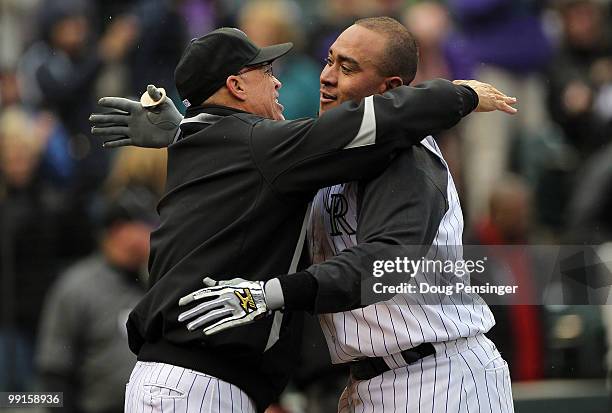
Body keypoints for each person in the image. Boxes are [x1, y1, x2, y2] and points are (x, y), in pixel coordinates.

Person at [90, 25, 516, 413]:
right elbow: (249, 165)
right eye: (329, 60)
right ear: (236, 85)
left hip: (440, 374)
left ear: (390, 88)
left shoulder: (406, 154)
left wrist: (274, 293)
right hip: (363, 382)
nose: (326, 76)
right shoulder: (300, 156)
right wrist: (196, 131)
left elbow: (385, 266)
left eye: (347, 68)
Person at [35, 186, 157, 413]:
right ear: (118, 230)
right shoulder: (77, 286)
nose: (153, 232)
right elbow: (54, 371)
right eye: (145, 224)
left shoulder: (157, 284)